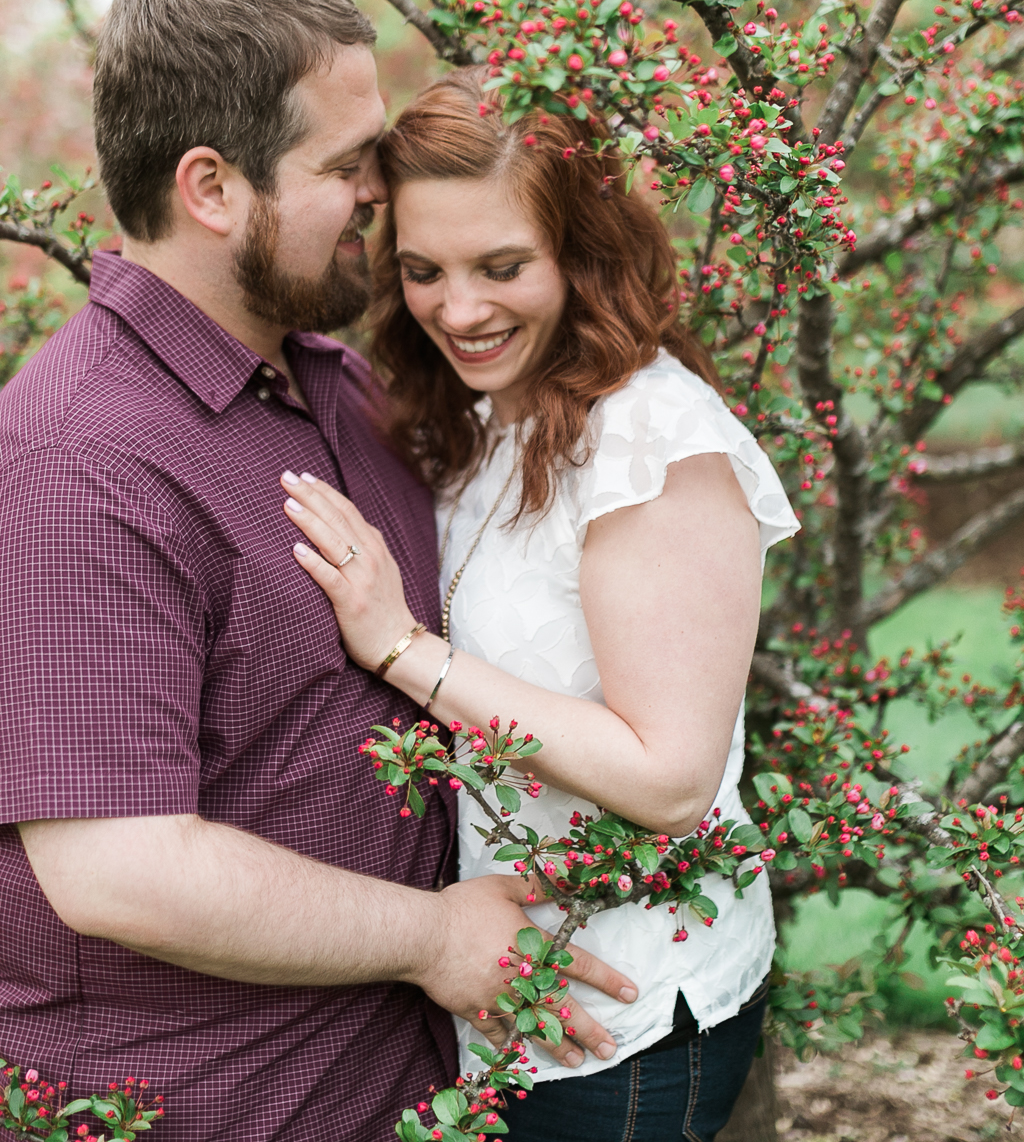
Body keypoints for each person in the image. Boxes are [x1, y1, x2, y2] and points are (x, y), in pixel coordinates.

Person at [0, 0, 636, 1141]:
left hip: (390, 1089)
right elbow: (120, 868)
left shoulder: (332, 384)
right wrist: (436, 936)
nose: (381, 191)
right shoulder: (75, 468)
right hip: (201, 1108)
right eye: (347, 164)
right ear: (213, 187)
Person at [279, 72, 799, 1141]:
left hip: (623, 1018)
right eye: (423, 272)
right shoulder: (482, 422)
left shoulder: (652, 444)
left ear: (582, 253)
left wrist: (399, 649)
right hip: (503, 1000)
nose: (456, 310)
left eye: (500, 267)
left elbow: (666, 778)